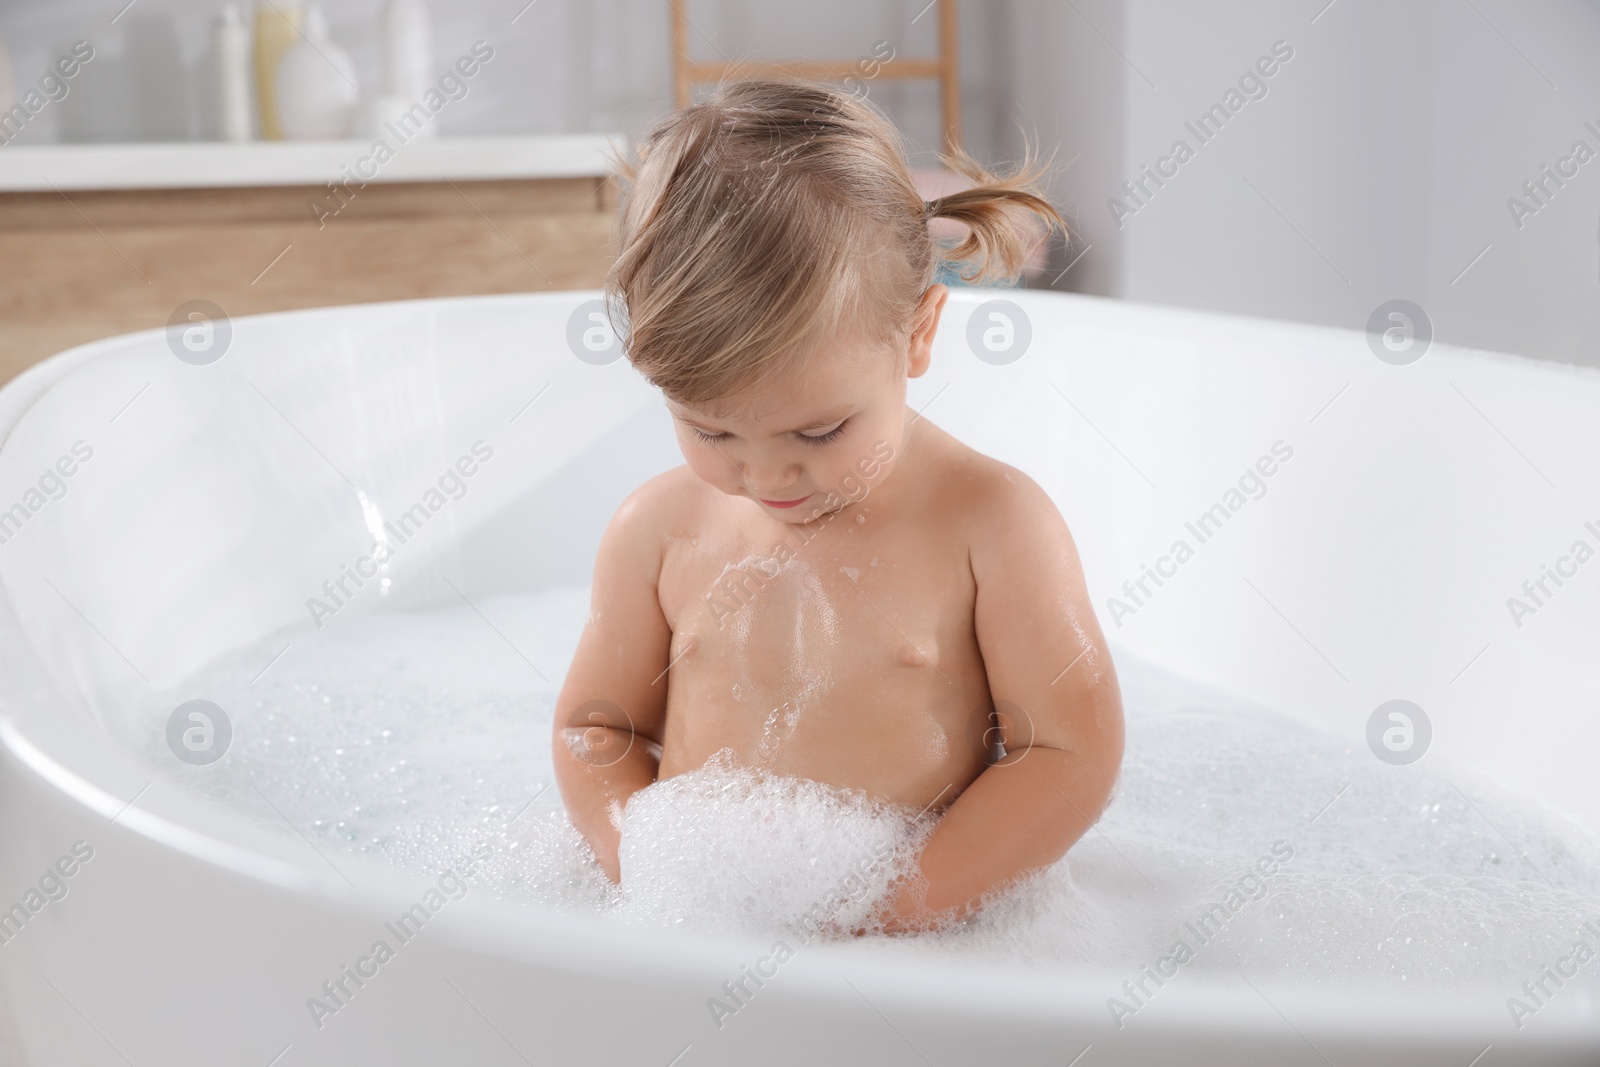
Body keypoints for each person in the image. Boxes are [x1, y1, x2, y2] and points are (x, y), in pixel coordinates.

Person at [552, 78, 1123, 934]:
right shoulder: (658, 531)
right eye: (711, 433)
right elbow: (596, 728)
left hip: (913, 937)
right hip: (694, 928)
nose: (767, 476)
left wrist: (894, 908)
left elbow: (1068, 754)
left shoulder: (993, 525)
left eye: (819, 432)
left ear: (921, 331)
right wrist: (641, 866)